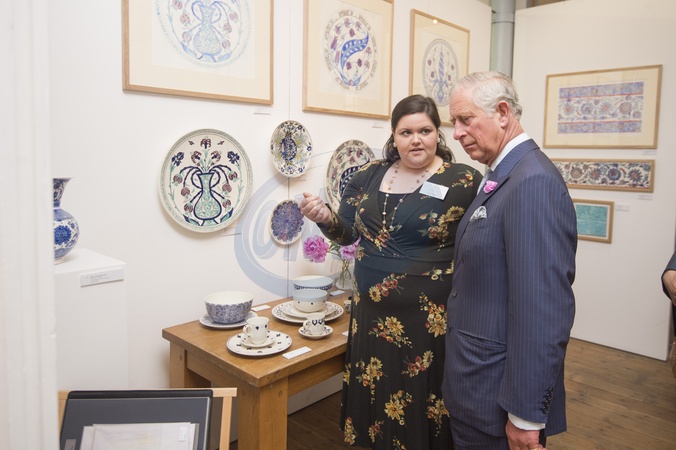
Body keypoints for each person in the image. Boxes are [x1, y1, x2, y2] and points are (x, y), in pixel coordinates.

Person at [300, 94, 482, 449]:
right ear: (394, 136)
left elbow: (480, 243)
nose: (416, 140)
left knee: (423, 395)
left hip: (428, 321)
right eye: (406, 132)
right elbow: (347, 233)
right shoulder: (368, 174)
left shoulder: (464, 180)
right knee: (375, 394)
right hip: (370, 316)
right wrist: (324, 218)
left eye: (425, 131)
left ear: (438, 133)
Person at [441, 71, 577, 450]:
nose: (457, 133)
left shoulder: (532, 181)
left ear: (502, 113)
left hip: (497, 397)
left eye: (465, 119)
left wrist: (525, 415)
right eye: (454, 122)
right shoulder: (504, 174)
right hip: (476, 385)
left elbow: (542, 310)